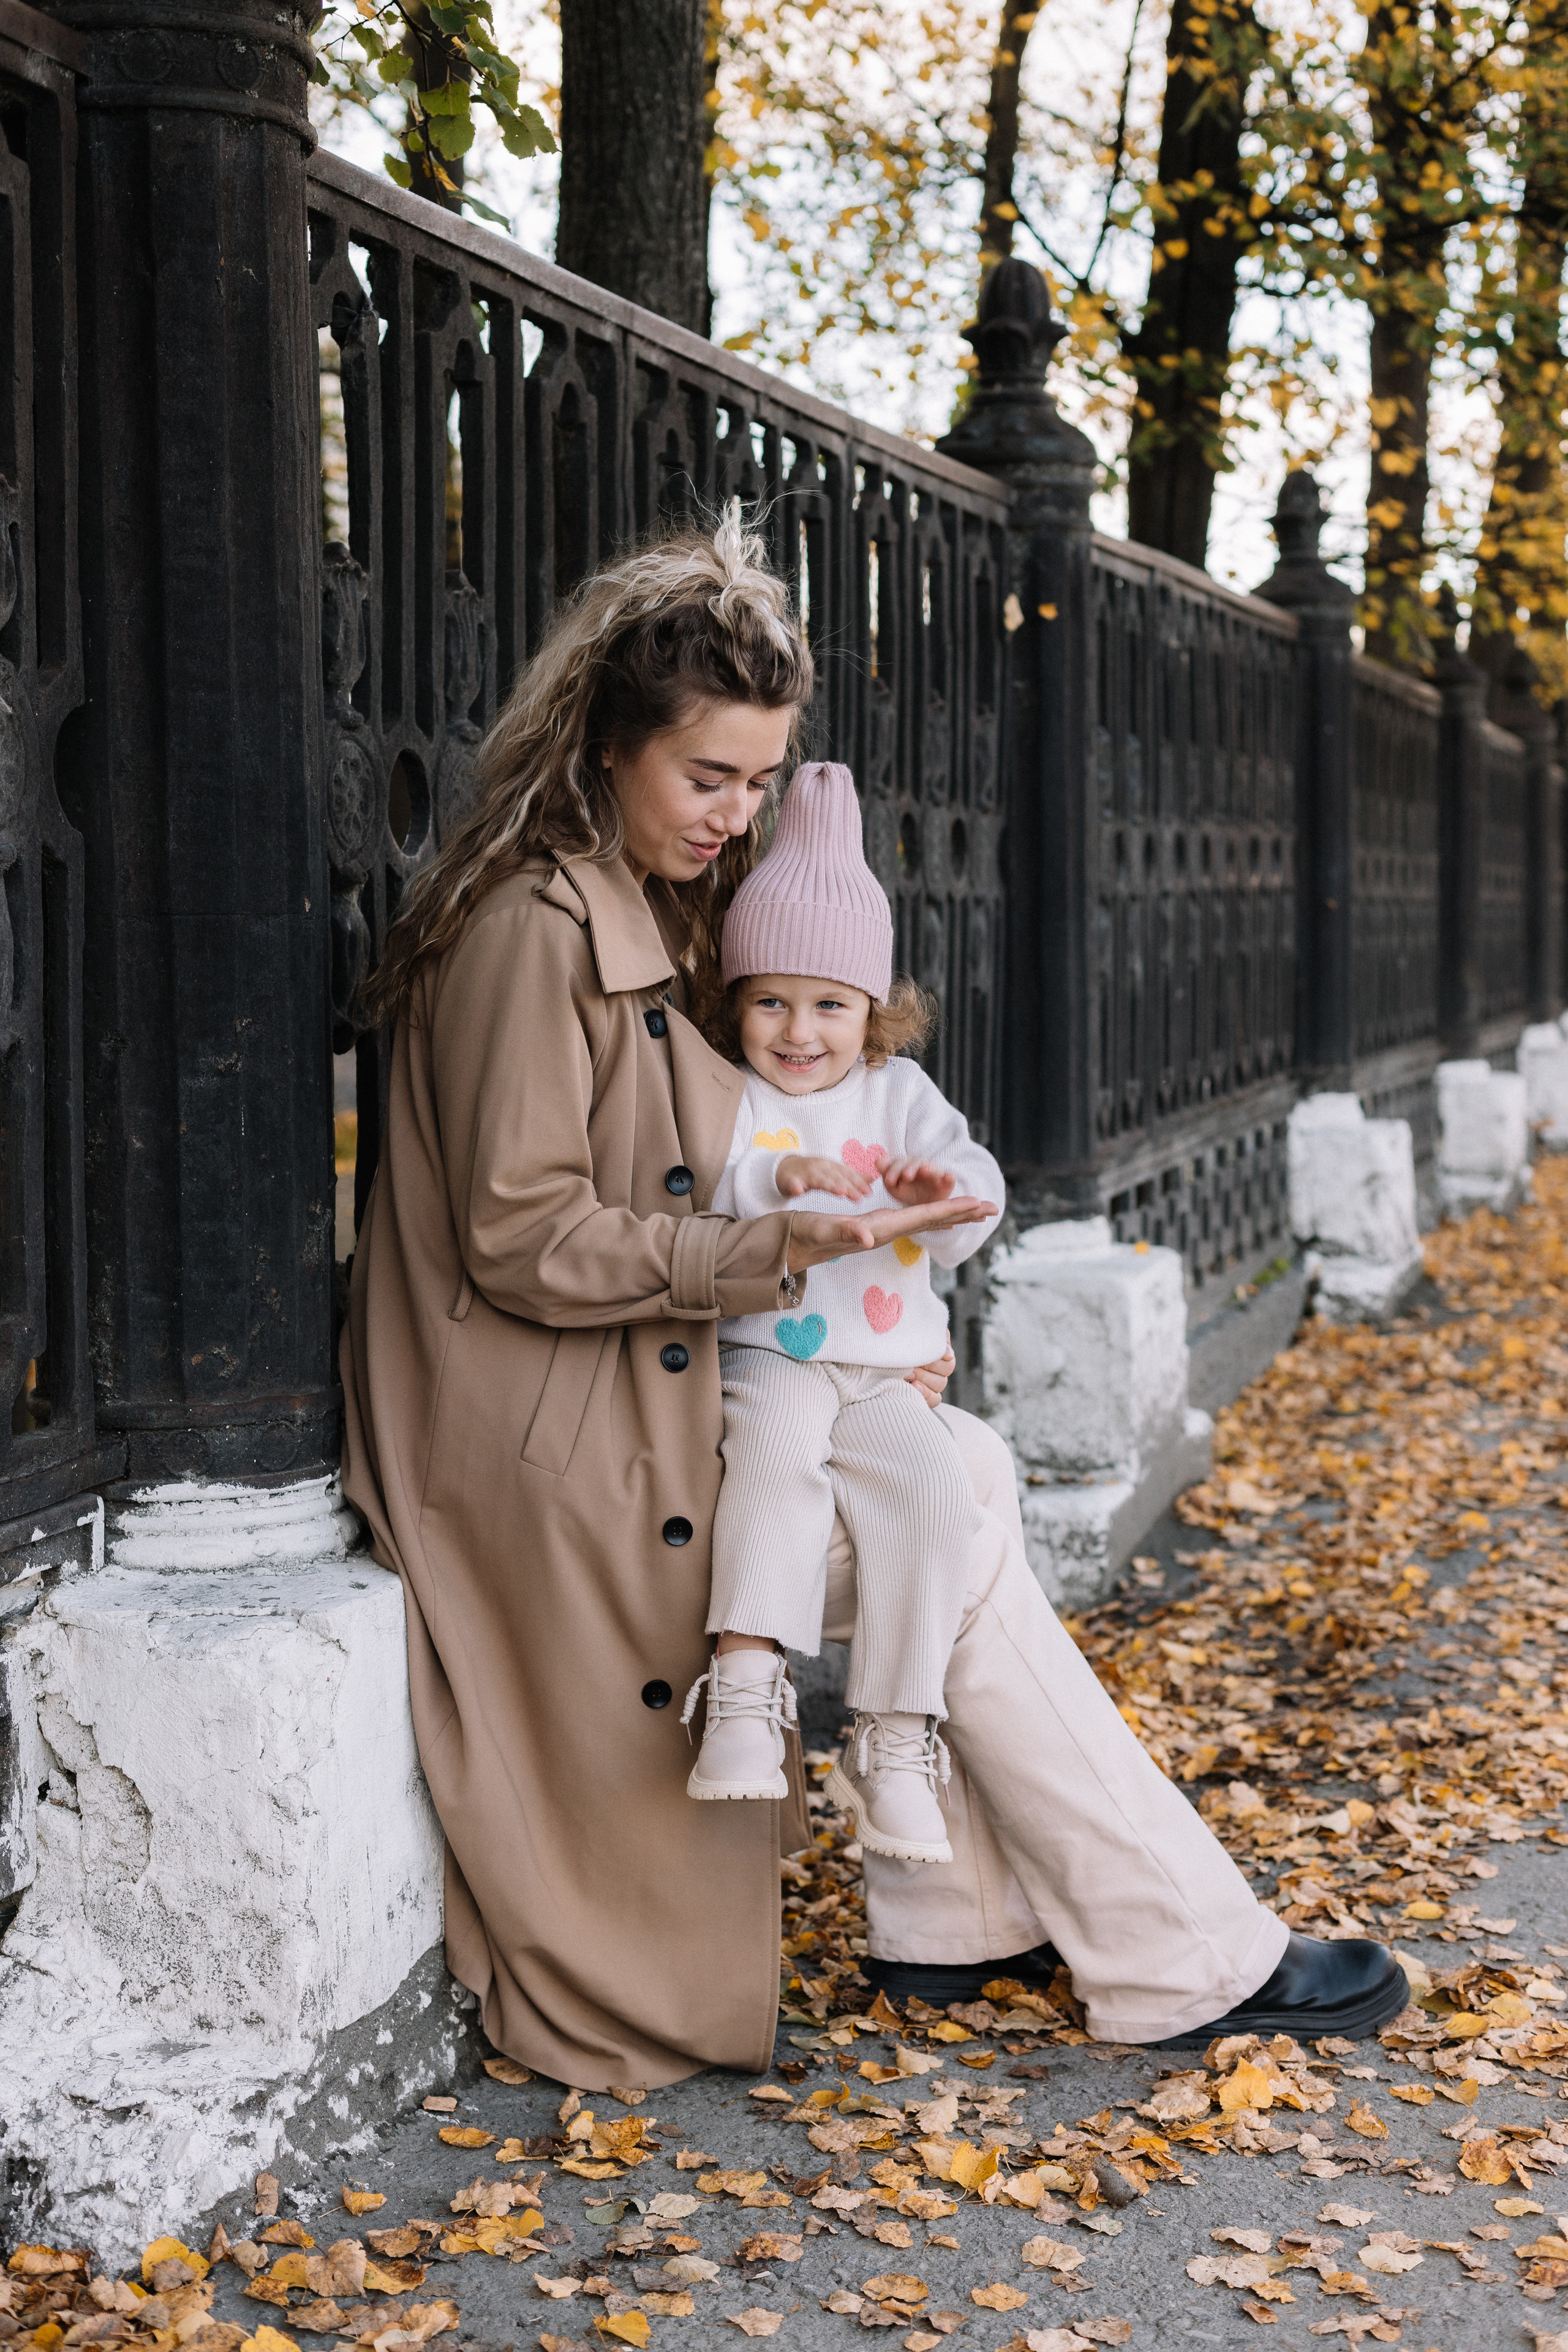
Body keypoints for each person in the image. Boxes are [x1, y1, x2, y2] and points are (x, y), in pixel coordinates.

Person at [339, 505, 1408, 2091]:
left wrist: (867, 1265)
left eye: (763, 781)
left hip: (632, 1392)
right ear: (608, 742)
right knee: (964, 1499)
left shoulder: (636, 907)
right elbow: (519, 1236)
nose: (737, 813)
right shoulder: (528, 933)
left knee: (957, 1470)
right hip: (538, 1458)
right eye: (710, 776)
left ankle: (968, 1918)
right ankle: (1148, 1945)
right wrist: (769, 1262)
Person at [681, 761, 1003, 1870]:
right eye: (770, 999)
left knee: (930, 1490)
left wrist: (935, 1194)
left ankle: (897, 1736)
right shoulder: (732, 1097)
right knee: (773, 1457)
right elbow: (718, 1190)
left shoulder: (900, 1097)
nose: (799, 1029)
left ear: (874, 1010)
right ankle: (745, 1684)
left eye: (830, 1003)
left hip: (884, 1370)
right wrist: (787, 1185)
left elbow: (974, 1192)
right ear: (735, 1003)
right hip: (773, 1349)